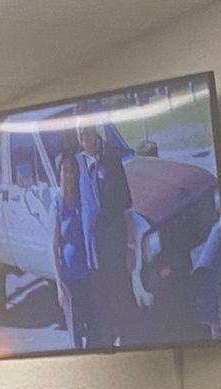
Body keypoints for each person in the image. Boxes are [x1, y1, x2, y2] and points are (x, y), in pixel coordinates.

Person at [75, 111, 133, 349]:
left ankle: (126, 333)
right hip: (91, 247)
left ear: (95, 129)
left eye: (86, 130)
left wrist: (130, 245)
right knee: (101, 292)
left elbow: (126, 204)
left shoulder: (111, 156)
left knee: (119, 286)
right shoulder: (76, 163)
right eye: (79, 133)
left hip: (113, 242)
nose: (84, 135)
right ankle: (109, 333)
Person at [50, 144, 93, 350]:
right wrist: (59, 286)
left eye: (71, 170)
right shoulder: (57, 204)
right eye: (64, 170)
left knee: (94, 328)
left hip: (89, 276)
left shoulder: (84, 199)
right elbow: (55, 249)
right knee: (75, 335)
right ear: (59, 173)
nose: (68, 175)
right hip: (70, 281)